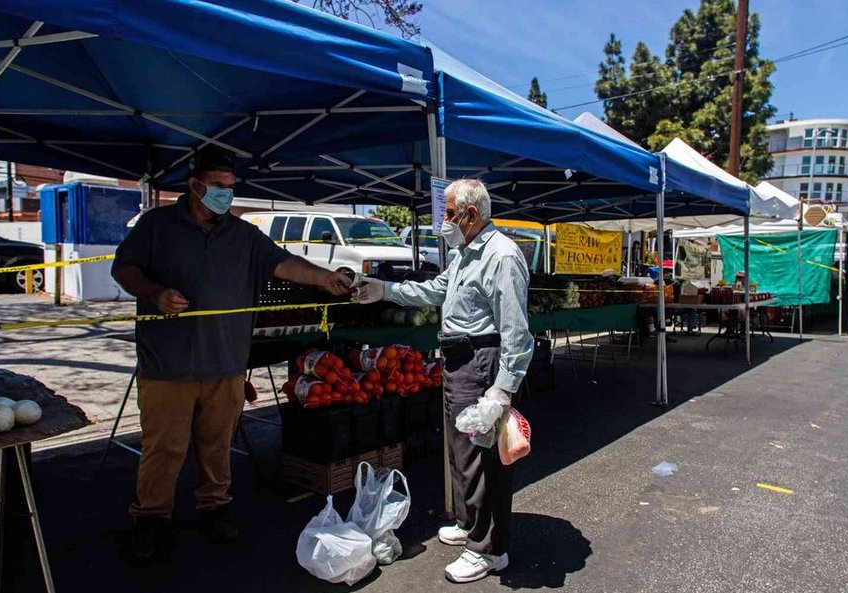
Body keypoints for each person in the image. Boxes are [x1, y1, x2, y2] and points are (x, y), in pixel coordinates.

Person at [111, 147, 350, 563]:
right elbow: (123, 268)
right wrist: (154, 293)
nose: (226, 195)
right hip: (167, 366)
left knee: (216, 445)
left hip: (225, 363)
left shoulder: (242, 235)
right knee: (164, 448)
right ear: (194, 186)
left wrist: (325, 277)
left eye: (231, 188)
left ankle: (214, 508)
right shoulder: (157, 225)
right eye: (219, 188)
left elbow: (284, 263)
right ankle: (151, 519)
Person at [354, 179, 533, 583]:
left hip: (480, 361)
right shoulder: (465, 254)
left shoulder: (501, 256)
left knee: (484, 460)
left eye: (449, 214)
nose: (443, 222)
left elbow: (517, 332)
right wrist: (385, 289)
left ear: (471, 215)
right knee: (461, 453)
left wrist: (502, 390)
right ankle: (472, 524)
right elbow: (437, 290)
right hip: (457, 361)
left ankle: (489, 549)